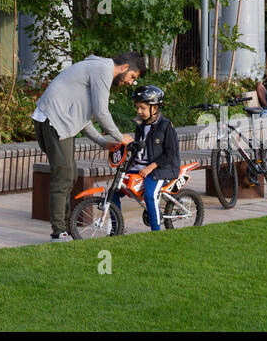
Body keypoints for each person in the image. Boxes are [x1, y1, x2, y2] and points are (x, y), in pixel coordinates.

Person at [31, 51, 144, 241]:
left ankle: (66, 228)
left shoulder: (96, 70)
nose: (131, 82)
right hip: (52, 121)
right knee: (64, 175)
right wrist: (120, 137)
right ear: (125, 67)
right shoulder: (102, 70)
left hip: (59, 124)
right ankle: (59, 232)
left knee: (71, 174)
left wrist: (102, 143)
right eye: (132, 77)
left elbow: (83, 119)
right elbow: (101, 112)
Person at [111, 85, 180, 231]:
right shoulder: (141, 126)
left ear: (154, 108)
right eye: (137, 108)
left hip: (160, 170)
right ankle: (116, 228)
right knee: (113, 192)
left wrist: (152, 166)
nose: (139, 111)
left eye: (142, 108)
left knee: (149, 195)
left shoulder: (166, 126)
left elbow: (170, 153)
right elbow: (140, 147)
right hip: (138, 168)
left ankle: (156, 232)